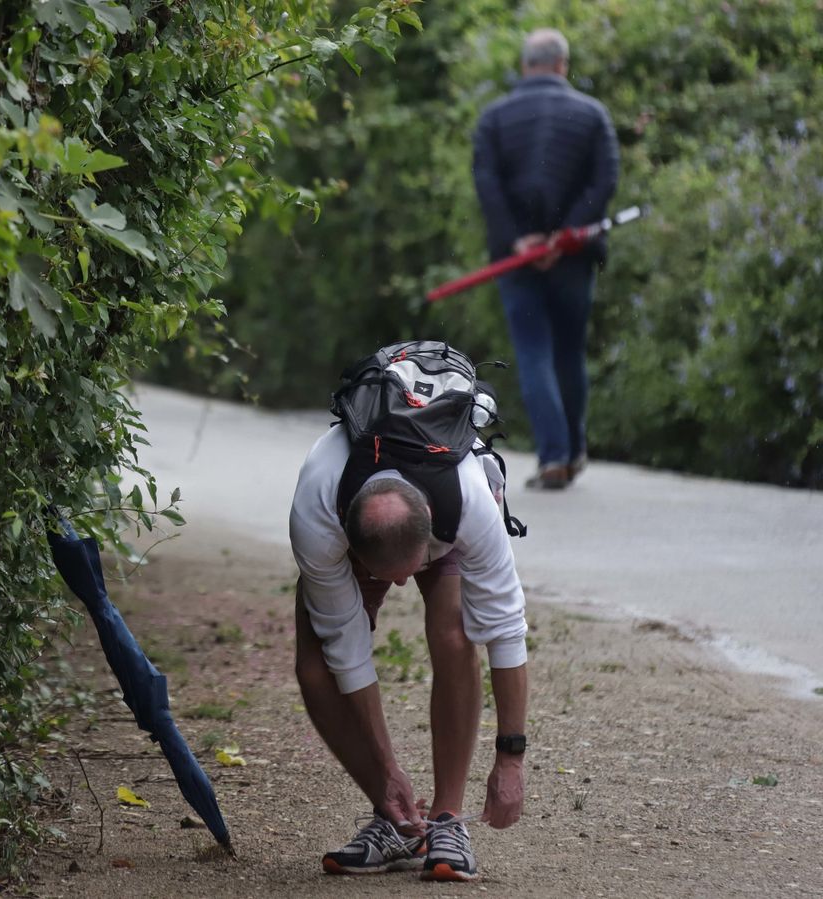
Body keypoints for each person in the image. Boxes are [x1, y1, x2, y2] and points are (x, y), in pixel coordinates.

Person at [288, 423, 528, 882]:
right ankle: (394, 816)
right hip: (353, 526)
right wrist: (386, 770)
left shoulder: (470, 502)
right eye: (388, 576)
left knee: (454, 635)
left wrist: (510, 760)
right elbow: (346, 650)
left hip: (444, 516)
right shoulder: (316, 516)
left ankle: (446, 820)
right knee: (315, 669)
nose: (400, 584)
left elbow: (506, 632)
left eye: (408, 571)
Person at [471, 28, 620, 490]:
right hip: (573, 258)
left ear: (524, 66)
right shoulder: (592, 115)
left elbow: (487, 184)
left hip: (515, 262)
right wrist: (562, 237)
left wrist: (519, 241)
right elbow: (605, 181)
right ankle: (572, 451)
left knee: (533, 352)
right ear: (562, 65)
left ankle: (554, 456)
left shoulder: (494, 118)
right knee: (569, 352)